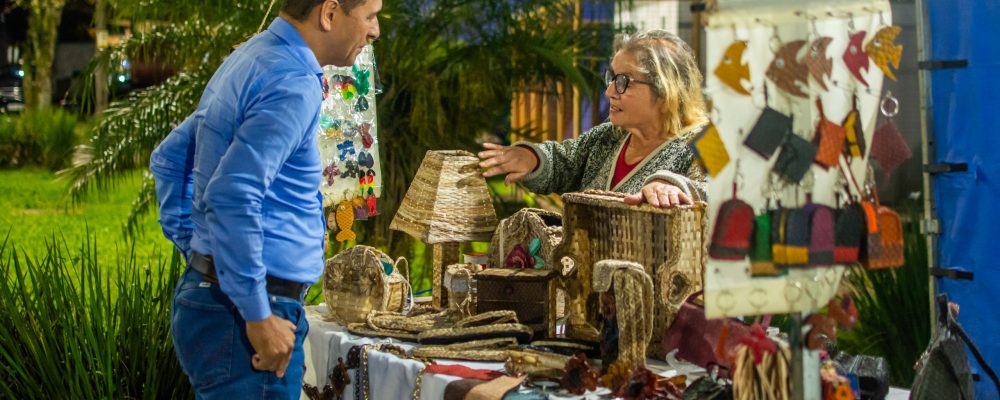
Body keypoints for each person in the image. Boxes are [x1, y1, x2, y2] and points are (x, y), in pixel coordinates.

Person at [149, 0, 380, 398]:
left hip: (217, 298)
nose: (374, 30)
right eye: (371, 15)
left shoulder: (251, 56)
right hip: (247, 316)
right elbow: (232, 195)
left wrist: (201, 252)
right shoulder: (292, 82)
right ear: (329, 13)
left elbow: (169, 159)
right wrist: (257, 315)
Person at [478, 30, 708, 207]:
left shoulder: (707, 140)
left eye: (623, 81)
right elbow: (564, 161)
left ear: (666, 91)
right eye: (612, 78)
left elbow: (728, 195)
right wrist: (532, 158)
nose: (609, 92)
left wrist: (676, 186)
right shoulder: (609, 136)